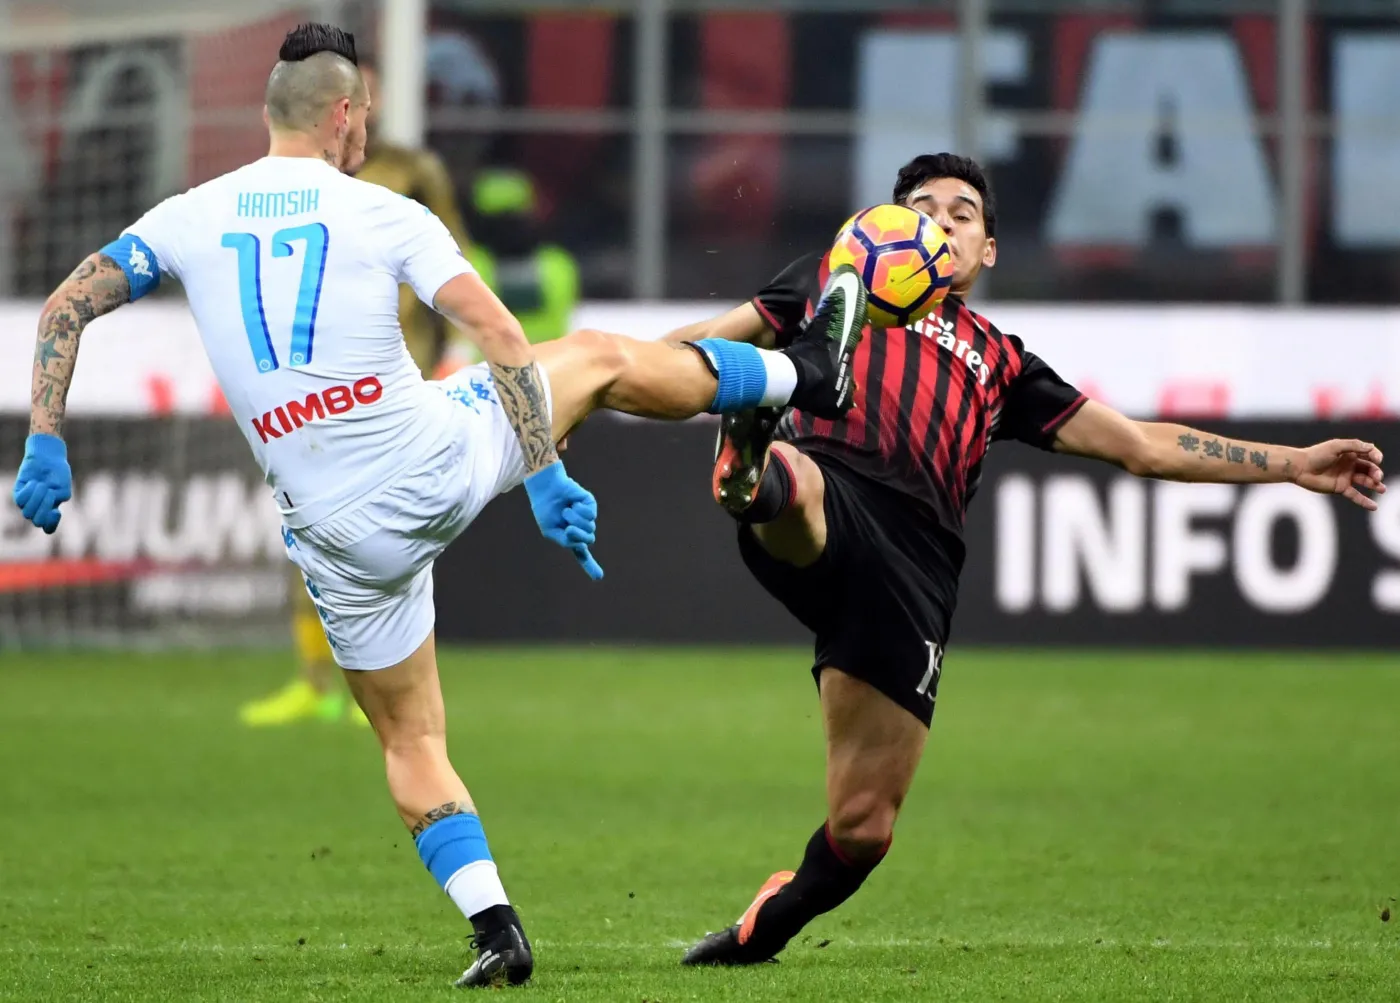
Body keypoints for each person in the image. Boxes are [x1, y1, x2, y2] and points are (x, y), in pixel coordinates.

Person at [9, 23, 862, 989]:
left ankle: (496, 928)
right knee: (592, 357)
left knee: (410, 739)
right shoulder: (384, 211)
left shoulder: (186, 216)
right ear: (342, 113)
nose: (369, 129)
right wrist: (543, 472)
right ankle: (802, 374)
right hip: (424, 463)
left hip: (332, 537)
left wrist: (46, 438)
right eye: (367, 114)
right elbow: (500, 331)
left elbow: (65, 306)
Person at [670, 152, 1387, 966]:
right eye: (922, 208)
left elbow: (1141, 444)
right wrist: (591, 387)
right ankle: (751, 464)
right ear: (884, 226)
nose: (941, 222)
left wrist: (1293, 463)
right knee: (793, 491)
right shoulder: (827, 285)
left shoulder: (1003, 362)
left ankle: (767, 923)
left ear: (986, 251)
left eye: (962, 214)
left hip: (915, 573)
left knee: (864, 829)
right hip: (832, 492)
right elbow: (694, 348)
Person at [239, 55, 482, 729]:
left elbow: (455, 263)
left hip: (401, 373)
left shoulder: (412, 171)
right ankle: (313, 684)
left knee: (393, 534)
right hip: (316, 378)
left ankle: (386, 689)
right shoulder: (285, 182)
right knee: (307, 523)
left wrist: (458, 351)